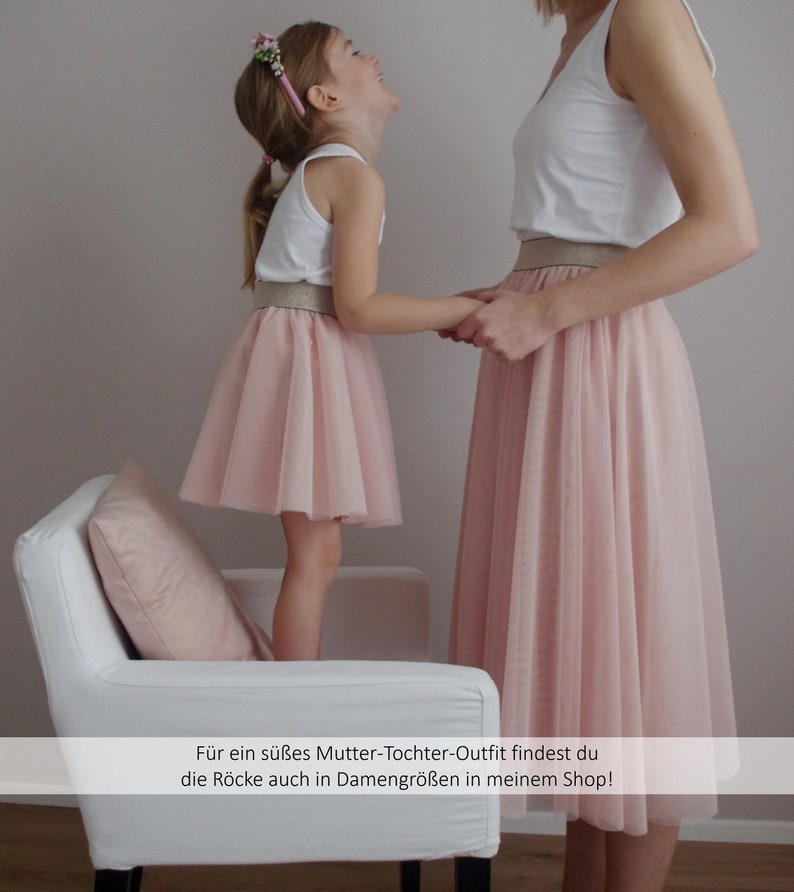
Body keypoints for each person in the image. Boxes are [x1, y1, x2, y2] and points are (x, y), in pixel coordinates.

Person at [447, 0, 758, 889]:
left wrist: (544, 306)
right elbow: (579, 216)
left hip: (598, 359)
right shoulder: (585, 28)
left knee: (633, 657)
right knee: (592, 663)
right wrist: (515, 290)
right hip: (553, 354)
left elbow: (728, 224)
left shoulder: (645, 11)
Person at [181, 22, 479, 661]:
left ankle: (296, 696)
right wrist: (458, 308)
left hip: (302, 356)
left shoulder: (328, 172)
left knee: (316, 552)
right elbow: (361, 307)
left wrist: (458, 303)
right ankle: (295, 708)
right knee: (315, 555)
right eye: (352, 52)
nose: (375, 56)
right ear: (325, 98)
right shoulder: (352, 177)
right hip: (309, 362)